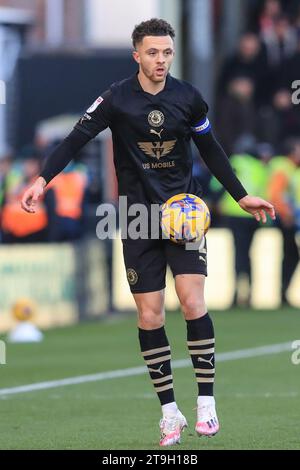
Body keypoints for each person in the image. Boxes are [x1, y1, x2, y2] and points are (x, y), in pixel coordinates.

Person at [21, 19, 275, 446]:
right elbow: (74, 140)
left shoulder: (188, 99)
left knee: (194, 302)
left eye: (167, 53)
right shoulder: (116, 99)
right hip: (138, 219)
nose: (161, 60)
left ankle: (207, 402)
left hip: (185, 214)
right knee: (149, 315)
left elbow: (210, 149)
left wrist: (241, 195)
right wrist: (41, 180)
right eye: (153, 53)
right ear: (136, 54)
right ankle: (169, 413)